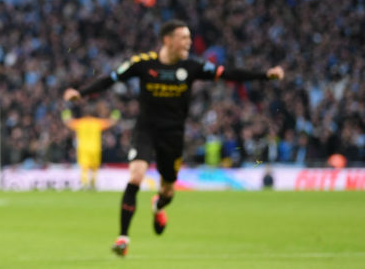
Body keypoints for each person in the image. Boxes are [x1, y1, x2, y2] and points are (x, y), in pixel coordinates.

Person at [63, 20, 284, 257]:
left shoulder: (192, 66)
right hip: (146, 130)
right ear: (167, 40)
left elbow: (228, 73)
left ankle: (158, 205)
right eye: (183, 38)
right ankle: (123, 237)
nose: (188, 42)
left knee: (168, 191)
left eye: (189, 38)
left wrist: (265, 75)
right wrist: (81, 93)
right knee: (136, 176)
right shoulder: (143, 64)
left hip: (173, 135)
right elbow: (111, 78)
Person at [62, 102, 120, 190]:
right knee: (94, 166)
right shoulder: (97, 123)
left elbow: (68, 122)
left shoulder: (80, 123)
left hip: (83, 148)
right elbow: (111, 122)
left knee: (84, 166)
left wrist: (65, 112)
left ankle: (84, 183)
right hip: (95, 148)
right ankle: (93, 183)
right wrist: (116, 113)